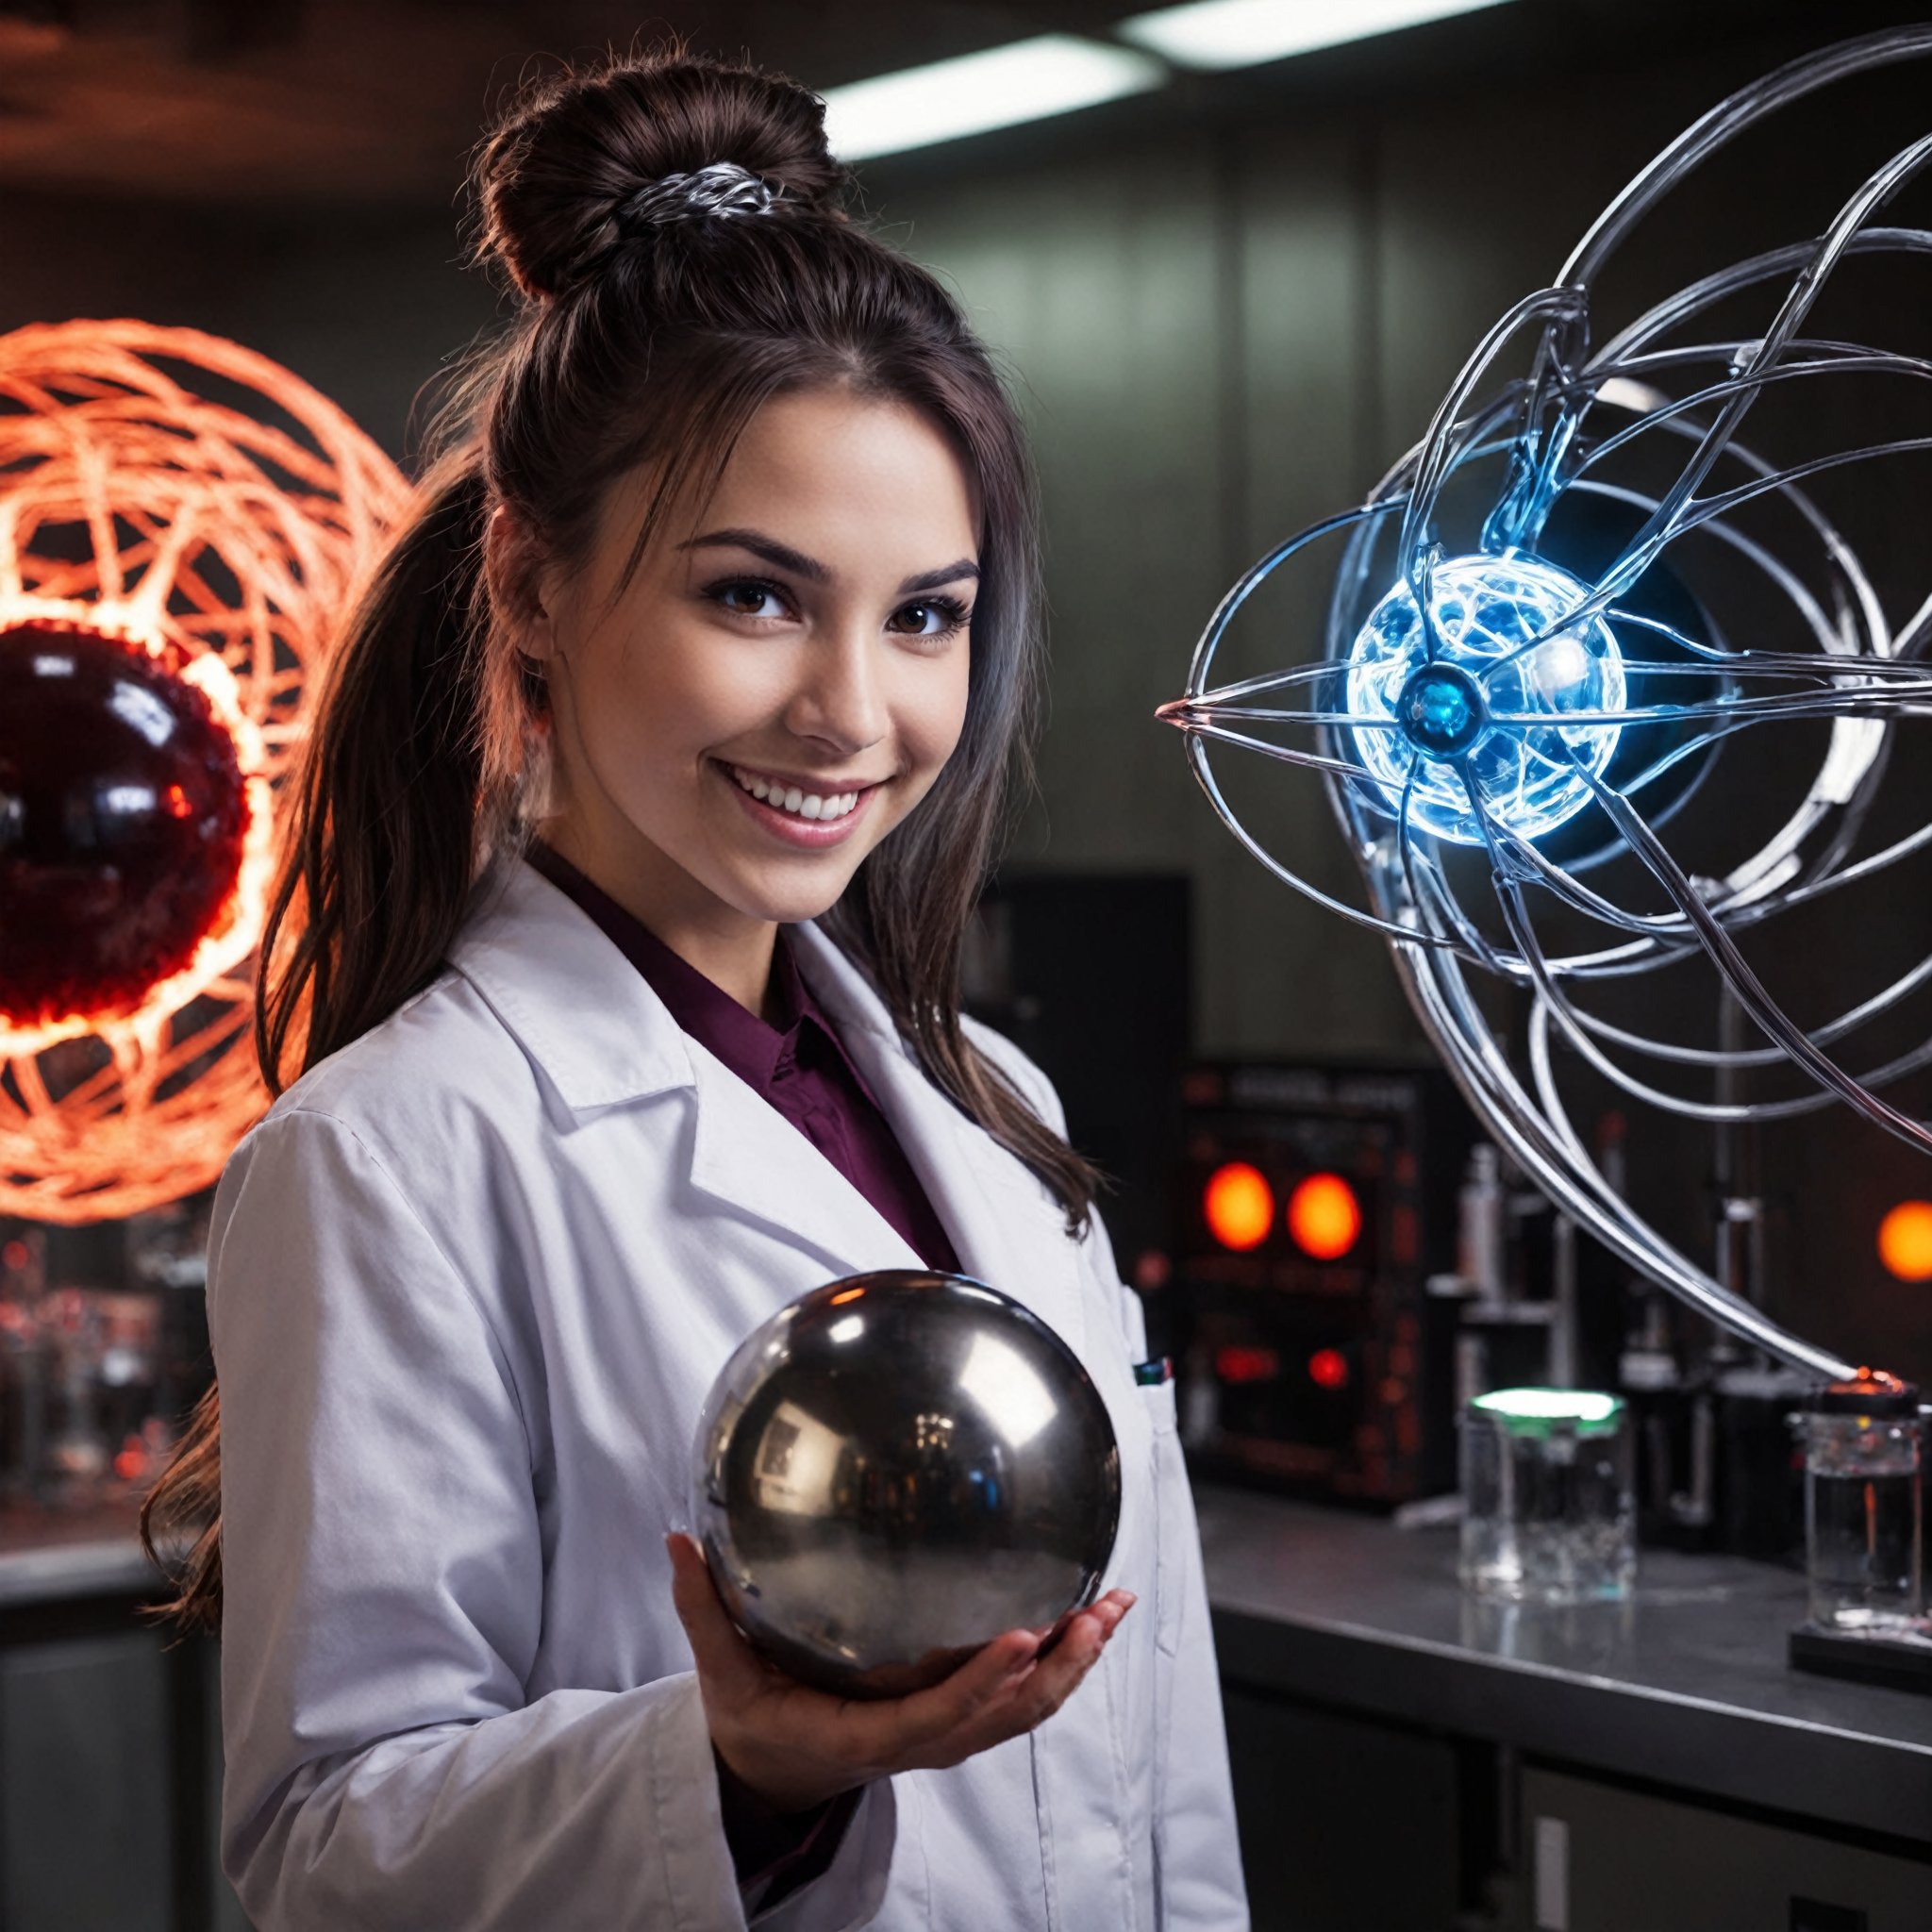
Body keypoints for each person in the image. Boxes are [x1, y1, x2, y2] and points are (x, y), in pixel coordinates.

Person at [141, 47, 1247, 1932]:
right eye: (754, 595)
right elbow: (321, 1856)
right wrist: (744, 1769)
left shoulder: (996, 1105)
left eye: (925, 614)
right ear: (533, 585)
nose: (853, 711)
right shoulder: (396, 1153)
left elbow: (1156, 1785)